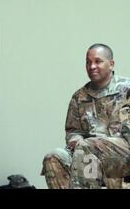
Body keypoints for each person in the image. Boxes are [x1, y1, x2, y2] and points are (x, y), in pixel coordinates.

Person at [41, 43, 130, 189]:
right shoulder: (79, 97)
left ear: (111, 64)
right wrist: (76, 141)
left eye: (98, 61)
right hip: (87, 155)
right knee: (54, 157)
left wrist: (97, 144)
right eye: (88, 62)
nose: (92, 66)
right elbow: (73, 131)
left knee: (88, 147)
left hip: (123, 153)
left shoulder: (127, 89)